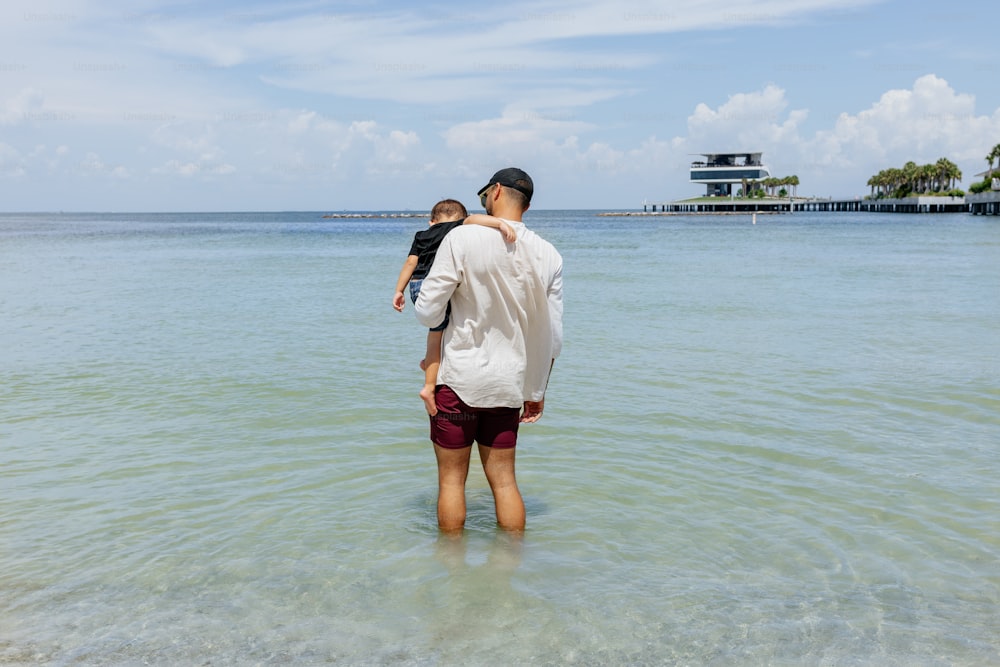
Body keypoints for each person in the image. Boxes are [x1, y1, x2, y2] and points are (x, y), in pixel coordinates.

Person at [415, 168, 563, 533]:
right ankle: (510, 570)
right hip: (508, 384)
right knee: (505, 482)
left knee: (451, 482)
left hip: (459, 381)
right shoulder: (549, 254)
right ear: (526, 204)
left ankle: (451, 572)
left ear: (495, 191)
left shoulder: (462, 239)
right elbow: (552, 336)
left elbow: (428, 311)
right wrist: (537, 391)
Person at [393, 199, 516, 416]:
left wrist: (398, 291)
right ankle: (429, 386)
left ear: (432, 221)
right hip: (438, 284)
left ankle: (430, 362)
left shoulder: (421, 235)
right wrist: (500, 224)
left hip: (417, 286)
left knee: (435, 334)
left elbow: (410, 264)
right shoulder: (458, 228)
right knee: (446, 330)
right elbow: (476, 219)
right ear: (461, 218)